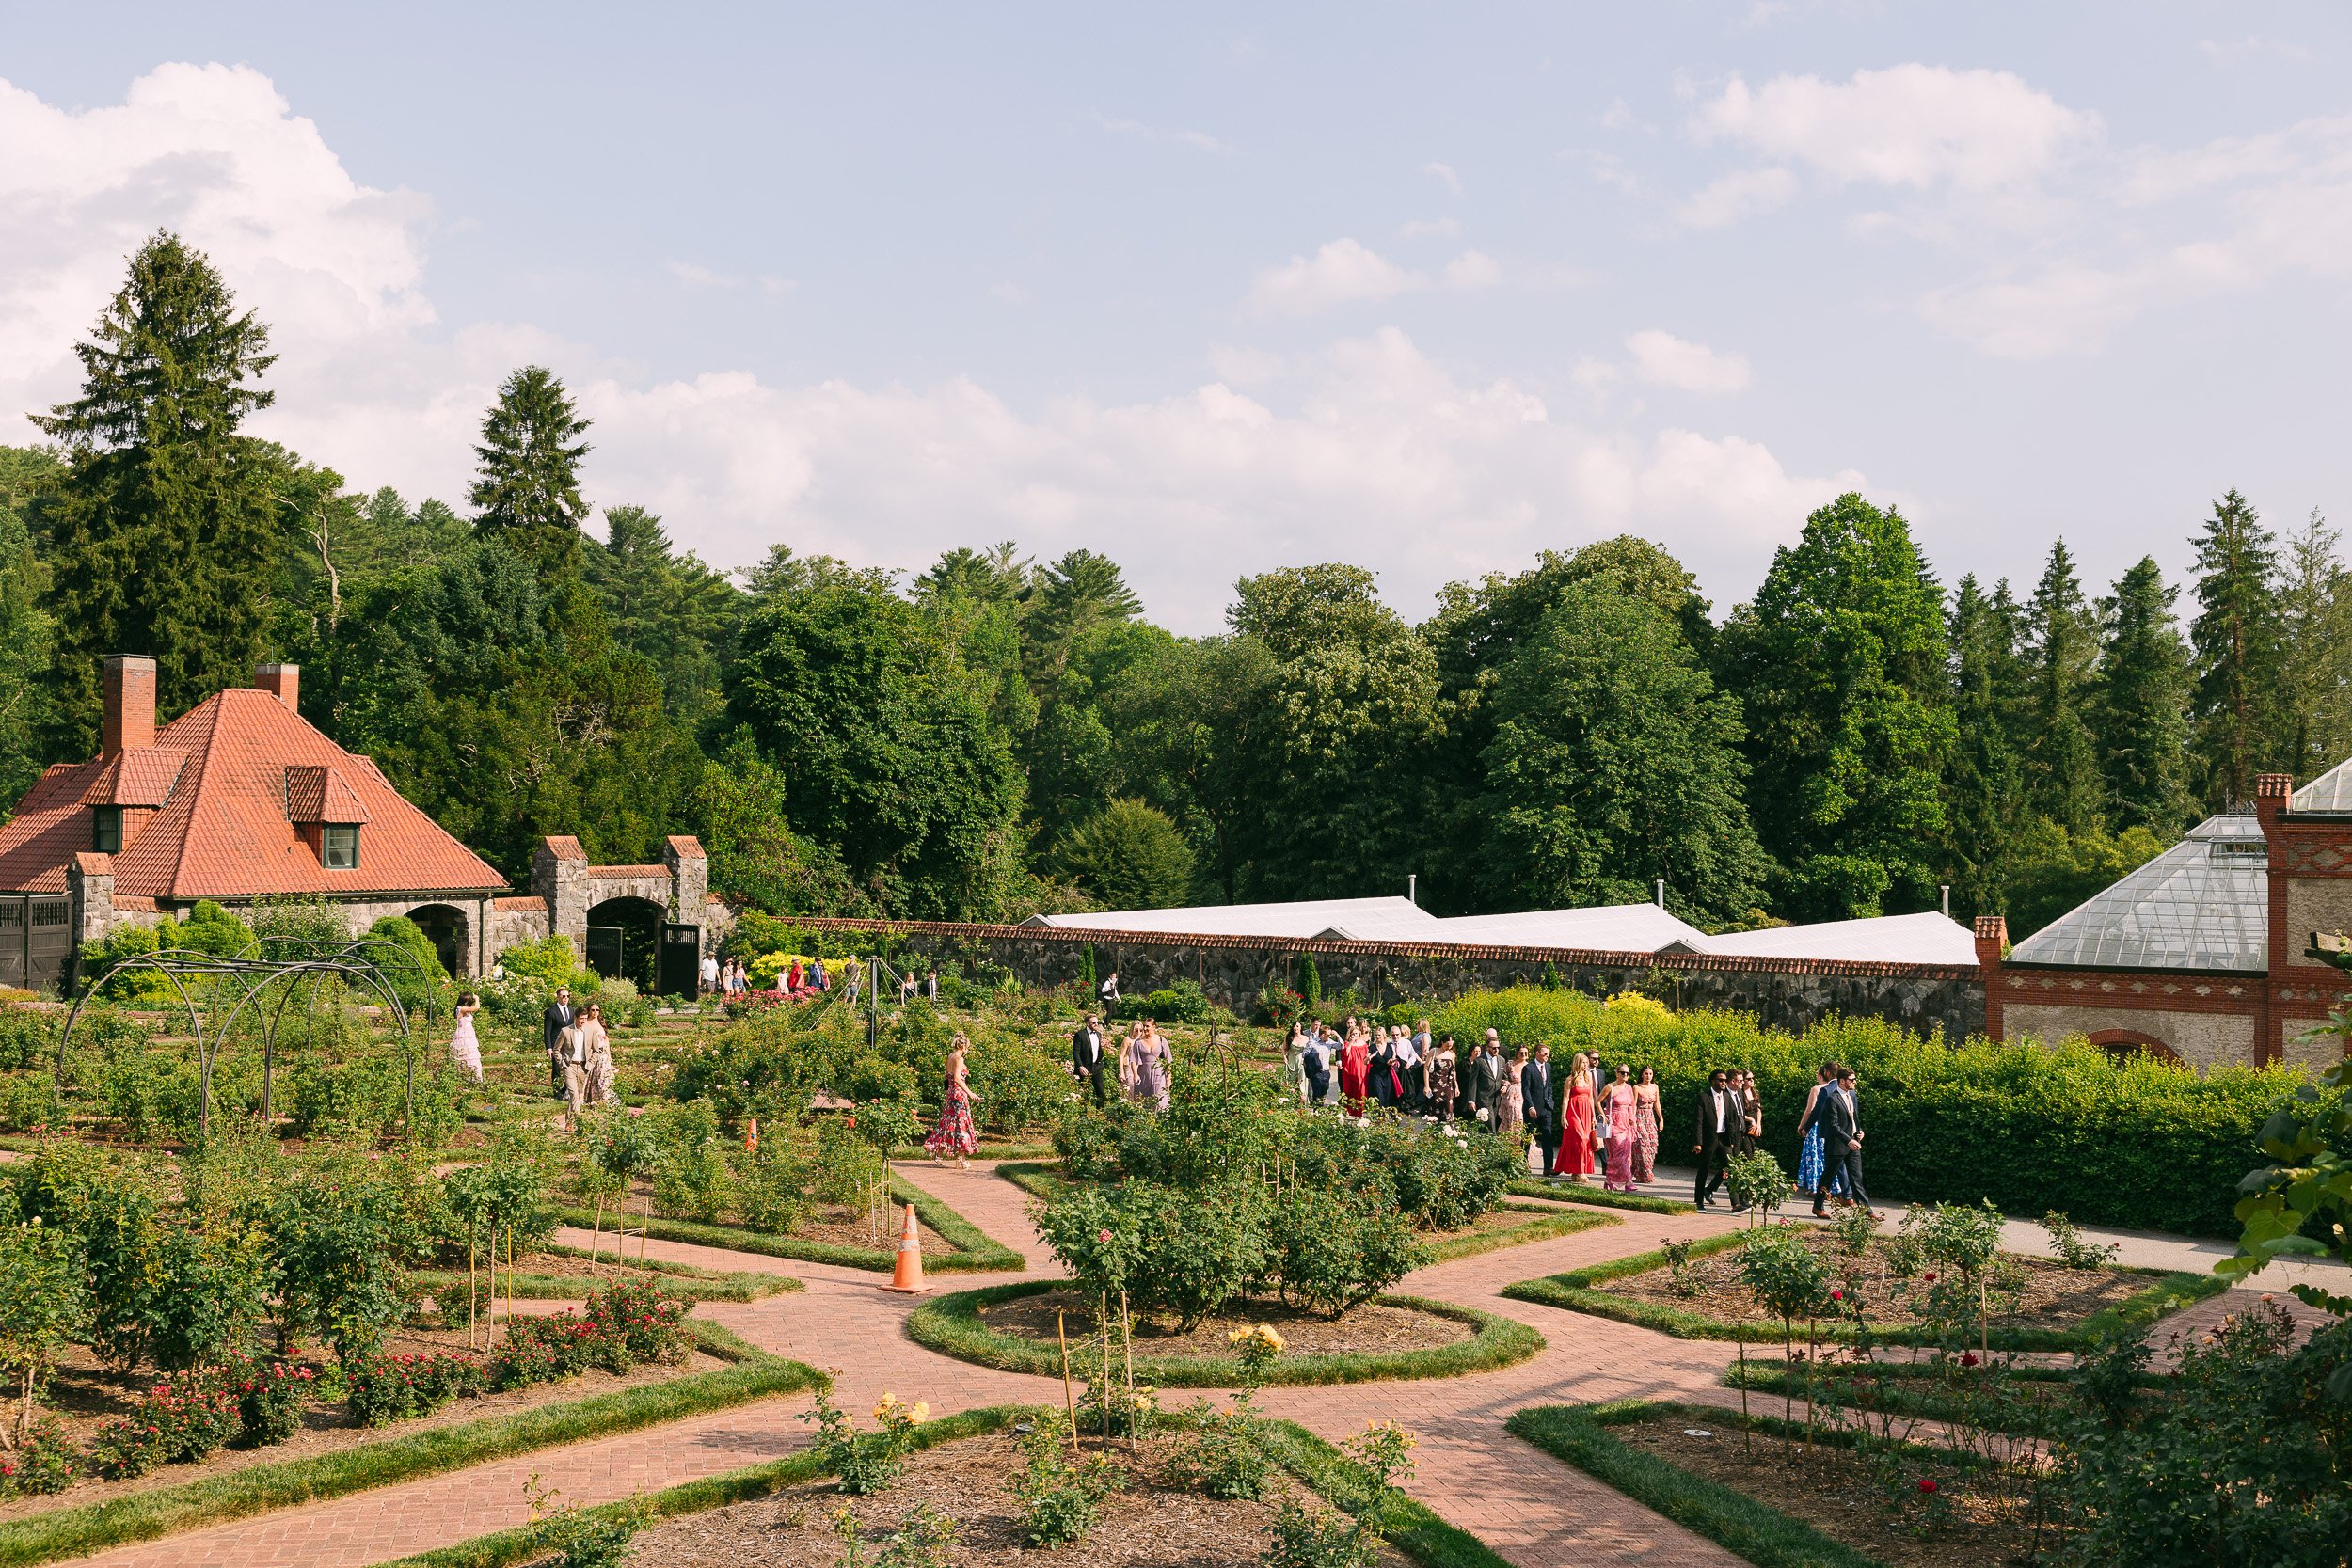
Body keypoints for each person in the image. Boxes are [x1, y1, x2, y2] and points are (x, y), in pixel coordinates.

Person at [1813, 1067, 1873, 1217]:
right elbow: (1833, 1125)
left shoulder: (1852, 1095)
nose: (1854, 1082)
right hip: (1837, 1144)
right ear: (1842, 1081)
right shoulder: (1831, 1098)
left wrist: (1859, 1131)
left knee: (1856, 1179)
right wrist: (1848, 1140)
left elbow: (1854, 1117)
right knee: (1828, 1177)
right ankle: (1818, 1207)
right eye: (1852, 1080)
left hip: (1853, 1142)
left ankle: (1867, 1212)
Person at [925, 1033, 979, 1165]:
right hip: (958, 1094)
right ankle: (961, 1158)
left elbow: (948, 1078)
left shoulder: (950, 1056)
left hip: (950, 1093)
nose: (968, 1049)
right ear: (963, 1046)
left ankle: (937, 1153)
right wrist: (970, 1093)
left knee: (948, 1122)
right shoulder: (959, 1059)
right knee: (961, 1125)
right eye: (968, 1046)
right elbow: (957, 1079)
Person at [1693, 1069, 1740, 1209]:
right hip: (1709, 1139)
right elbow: (1698, 1121)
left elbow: (1732, 1119)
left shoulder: (1727, 1097)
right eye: (1720, 1080)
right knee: (1704, 1169)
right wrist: (1697, 1142)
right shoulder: (1703, 1097)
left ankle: (1735, 1204)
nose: (1723, 1083)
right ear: (1712, 1081)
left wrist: (1731, 1140)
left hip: (1724, 1139)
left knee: (1731, 1168)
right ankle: (1699, 1201)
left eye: (1725, 1080)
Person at [1554, 1050, 1598, 1179]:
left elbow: (1591, 1098)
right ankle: (1579, 1171)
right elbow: (1566, 1098)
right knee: (1580, 1139)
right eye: (1583, 1062)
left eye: (1586, 1062)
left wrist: (1593, 1116)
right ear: (1577, 1063)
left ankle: (1578, 1171)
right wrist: (1563, 1116)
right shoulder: (1570, 1079)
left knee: (1586, 1141)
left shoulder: (1588, 1079)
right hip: (1573, 1111)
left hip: (1586, 1112)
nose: (1585, 1065)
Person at [1600, 1063, 1638, 1192]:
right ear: (1617, 1073)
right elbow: (1598, 1101)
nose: (1625, 1075)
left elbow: (1631, 1104)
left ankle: (1609, 1180)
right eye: (1622, 1073)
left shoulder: (1629, 1088)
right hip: (1613, 1122)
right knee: (1618, 1154)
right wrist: (1602, 1115)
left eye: (1627, 1073)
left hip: (1626, 1123)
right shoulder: (1610, 1087)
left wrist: (1632, 1117)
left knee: (1626, 1154)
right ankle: (1628, 1182)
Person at [1522, 1043, 1557, 1173]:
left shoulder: (1548, 1067)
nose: (1547, 1056)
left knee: (1548, 1137)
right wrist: (1530, 1106)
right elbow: (1525, 1089)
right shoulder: (1528, 1068)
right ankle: (1522, 1165)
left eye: (1548, 1053)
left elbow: (1549, 1086)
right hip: (1532, 1108)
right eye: (1545, 1053)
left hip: (1546, 1108)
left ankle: (1548, 1167)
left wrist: (1550, 1100)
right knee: (1527, 1136)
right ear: (1537, 1053)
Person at [556, 1012, 591, 1125]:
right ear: (575, 1018)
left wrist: (590, 1063)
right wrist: (562, 1064)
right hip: (569, 1066)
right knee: (574, 1094)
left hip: (583, 1067)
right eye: (581, 1018)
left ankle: (569, 1123)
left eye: (585, 1018)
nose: (584, 1021)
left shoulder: (590, 1031)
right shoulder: (566, 1031)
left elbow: (596, 1050)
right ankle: (580, 1123)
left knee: (577, 1095)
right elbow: (557, 1049)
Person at [542, 986, 578, 1096]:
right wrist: (549, 1048)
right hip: (556, 1044)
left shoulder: (571, 1010)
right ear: (558, 997)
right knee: (557, 1069)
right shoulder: (551, 1012)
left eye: (568, 996)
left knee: (571, 1068)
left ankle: (565, 1090)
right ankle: (556, 1092)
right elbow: (547, 1031)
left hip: (569, 1044)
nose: (566, 998)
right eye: (563, 996)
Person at [1470, 1031, 1508, 1131]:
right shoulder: (1479, 1061)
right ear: (1487, 1048)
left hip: (1496, 1099)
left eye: (1498, 1048)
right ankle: (1493, 1145)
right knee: (1490, 1126)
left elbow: (1505, 1077)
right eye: (1493, 1048)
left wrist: (1505, 1086)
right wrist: (1472, 1100)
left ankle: (1482, 1145)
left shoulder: (1502, 1060)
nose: (1496, 1050)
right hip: (1483, 1098)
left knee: (1485, 1127)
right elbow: (1473, 1082)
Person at [582, 1003, 617, 1106]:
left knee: (603, 1075)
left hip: (603, 1055)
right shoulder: (586, 1023)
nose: (595, 1012)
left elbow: (606, 1039)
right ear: (589, 1011)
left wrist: (609, 1055)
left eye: (597, 1010)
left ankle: (605, 1097)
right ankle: (591, 1097)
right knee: (592, 1076)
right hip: (592, 1053)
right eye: (593, 1010)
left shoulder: (601, 1023)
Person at [1132, 1022, 1172, 1112]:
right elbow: (1133, 1060)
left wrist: (1169, 1078)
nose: (1145, 1029)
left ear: (1154, 1027)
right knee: (1143, 1098)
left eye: (1147, 1026)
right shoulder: (1138, 1042)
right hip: (1143, 1073)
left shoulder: (1162, 1041)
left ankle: (1159, 1121)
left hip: (1159, 1073)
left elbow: (1168, 1061)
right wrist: (1135, 1075)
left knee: (1159, 1098)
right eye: (1144, 1026)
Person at [1632, 1065, 1661, 1184]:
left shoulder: (1655, 1087)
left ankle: (1644, 1171)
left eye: (1650, 1074)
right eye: (1646, 1073)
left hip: (1650, 1118)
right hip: (1639, 1116)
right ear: (1641, 1075)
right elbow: (1633, 1104)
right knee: (1642, 1145)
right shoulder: (1636, 1088)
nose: (1648, 1076)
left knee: (1652, 1145)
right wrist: (1632, 1120)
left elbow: (1657, 1104)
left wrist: (1661, 1119)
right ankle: (1645, 1173)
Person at [1072, 1014, 1109, 1106]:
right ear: (1087, 1023)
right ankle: (1082, 1117)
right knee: (1083, 1094)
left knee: (1101, 1093)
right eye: (1094, 1022)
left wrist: (1100, 1063)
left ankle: (1100, 1116)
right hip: (1084, 1068)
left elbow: (1098, 1050)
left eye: (1097, 1022)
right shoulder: (1080, 1035)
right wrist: (1080, 1066)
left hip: (1097, 1067)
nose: (1096, 1024)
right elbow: (1075, 1052)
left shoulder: (1098, 1034)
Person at [450, 990, 485, 1083]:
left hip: (468, 1035)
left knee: (471, 1056)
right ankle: (466, 1077)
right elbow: (477, 1007)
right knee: (465, 1055)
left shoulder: (464, 1009)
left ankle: (473, 1077)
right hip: (464, 1036)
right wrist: (477, 999)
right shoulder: (461, 1009)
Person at [1425, 1035, 1459, 1124]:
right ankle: (1435, 1130)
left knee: (1449, 1107)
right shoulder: (1434, 1051)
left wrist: (1456, 1086)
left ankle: (1449, 1129)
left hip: (1448, 1084)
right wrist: (1427, 1086)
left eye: (1451, 1045)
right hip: (1435, 1084)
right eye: (1447, 1045)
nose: (1449, 1047)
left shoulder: (1452, 1054)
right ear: (1442, 1043)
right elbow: (1426, 1069)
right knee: (1435, 1107)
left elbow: (1453, 1070)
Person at [1339, 1025, 1372, 1115]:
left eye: (1356, 1033)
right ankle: (1351, 1111)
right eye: (1353, 1034)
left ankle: (1361, 1110)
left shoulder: (1364, 1044)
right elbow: (1346, 1054)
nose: (1355, 1035)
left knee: (1361, 1090)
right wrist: (1351, 1042)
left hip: (1362, 1070)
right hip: (1351, 1070)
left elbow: (1367, 1056)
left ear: (1359, 1034)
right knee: (1350, 1091)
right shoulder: (1347, 1044)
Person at [1394, 1023, 1424, 1114]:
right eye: (1393, 1035)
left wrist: (1410, 1063)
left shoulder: (1407, 1043)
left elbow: (1413, 1054)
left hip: (1405, 1069)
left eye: (1397, 1034)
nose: (1396, 1036)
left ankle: (1405, 1107)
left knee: (1406, 1089)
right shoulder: (1390, 1043)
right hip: (1394, 1071)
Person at [1300, 1025, 1333, 1105]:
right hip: (1316, 1071)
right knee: (1317, 1092)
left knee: (1324, 1090)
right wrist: (1315, 1055)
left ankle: (1320, 1108)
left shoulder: (1329, 1042)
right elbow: (1304, 1054)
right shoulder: (1312, 1042)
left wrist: (1338, 1036)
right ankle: (1316, 1110)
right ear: (1322, 1035)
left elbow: (1341, 1046)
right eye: (1328, 1035)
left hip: (1326, 1072)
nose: (1329, 1036)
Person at [1499, 1046, 1527, 1136]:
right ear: (1517, 1053)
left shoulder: (1529, 1066)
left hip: (1523, 1093)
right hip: (1511, 1093)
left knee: (1519, 1117)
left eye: (1526, 1053)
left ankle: (1519, 1141)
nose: (1523, 1055)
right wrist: (1505, 1086)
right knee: (1509, 1115)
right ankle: (1507, 1140)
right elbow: (1504, 1077)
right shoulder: (1510, 1064)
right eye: (1521, 1053)